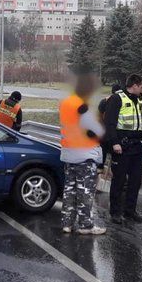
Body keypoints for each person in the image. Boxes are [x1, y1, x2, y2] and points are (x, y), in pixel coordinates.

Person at [59, 74, 106, 235]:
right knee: (85, 191)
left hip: (68, 154)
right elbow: (96, 130)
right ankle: (86, 225)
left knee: (69, 190)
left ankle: (67, 223)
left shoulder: (67, 104)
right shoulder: (82, 106)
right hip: (84, 156)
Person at [103, 74, 142, 224]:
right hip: (121, 146)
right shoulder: (117, 99)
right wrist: (114, 143)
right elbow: (109, 123)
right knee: (119, 181)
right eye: (141, 86)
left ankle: (130, 211)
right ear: (134, 85)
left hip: (136, 146)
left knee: (135, 181)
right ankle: (115, 212)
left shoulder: (138, 100)